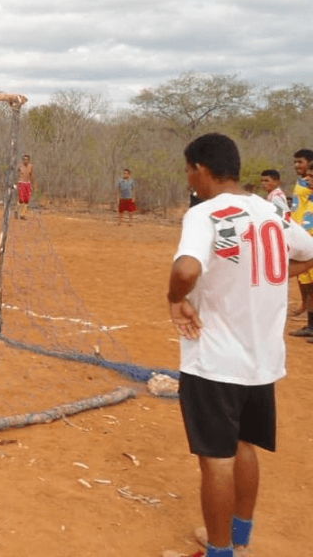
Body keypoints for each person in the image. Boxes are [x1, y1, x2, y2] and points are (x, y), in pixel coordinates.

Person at [165, 133, 313, 557]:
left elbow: (186, 269)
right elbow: (308, 251)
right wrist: (272, 275)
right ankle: (240, 541)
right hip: (262, 360)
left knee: (216, 459)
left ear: (201, 169)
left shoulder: (205, 213)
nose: (189, 179)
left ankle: (219, 551)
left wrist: (175, 300)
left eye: (189, 170)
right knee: (245, 446)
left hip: (214, 360)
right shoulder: (270, 211)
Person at [289, 148, 313, 335]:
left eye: (301, 162)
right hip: (303, 236)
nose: (297, 165)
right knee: (307, 282)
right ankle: (310, 324)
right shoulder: (302, 182)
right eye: (295, 162)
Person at [16, 154, 34, 219]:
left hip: (28, 183)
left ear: (29, 160)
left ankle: (22, 214)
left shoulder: (30, 166)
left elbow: (31, 175)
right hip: (21, 183)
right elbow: (15, 174)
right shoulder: (19, 166)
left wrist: (33, 185)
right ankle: (16, 210)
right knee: (21, 199)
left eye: (27, 159)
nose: (25, 161)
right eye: (24, 159)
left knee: (27, 200)